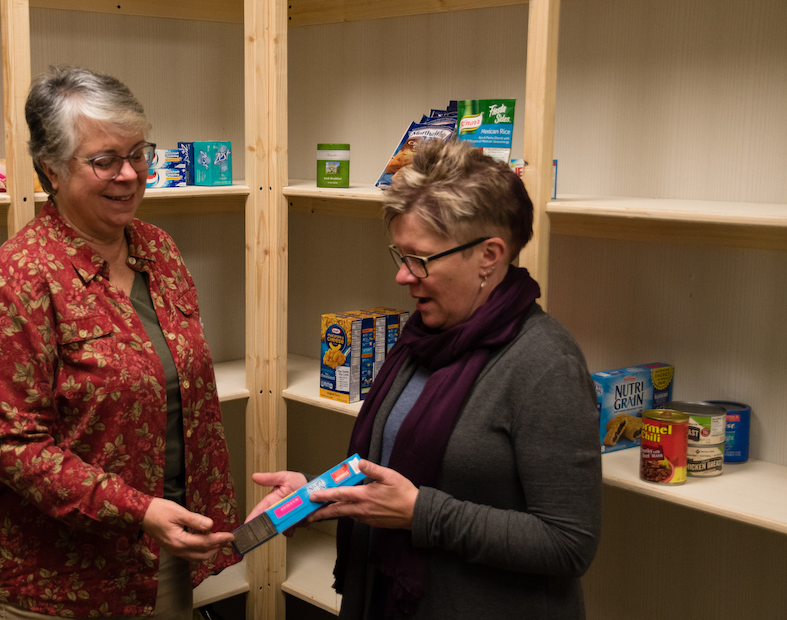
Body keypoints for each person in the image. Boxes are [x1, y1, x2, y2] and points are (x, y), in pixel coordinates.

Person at [249, 139, 601, 619]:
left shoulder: (546, 365)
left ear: (490, 256)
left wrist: (422, 514)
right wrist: (318, 494)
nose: (402, 276)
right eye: (400, 254)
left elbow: (568, 543)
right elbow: (399, 475)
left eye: (421, 258)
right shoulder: (423, 337)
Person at [0, 66, 240, 619]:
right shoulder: (18, 278)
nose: (131, 175)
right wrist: (137, 510)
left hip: (165, 556)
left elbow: (181, 396)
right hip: (60, 585)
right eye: (105, 160)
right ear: (51, 170)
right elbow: (12, 445)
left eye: (139, 153)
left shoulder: (159, 251)